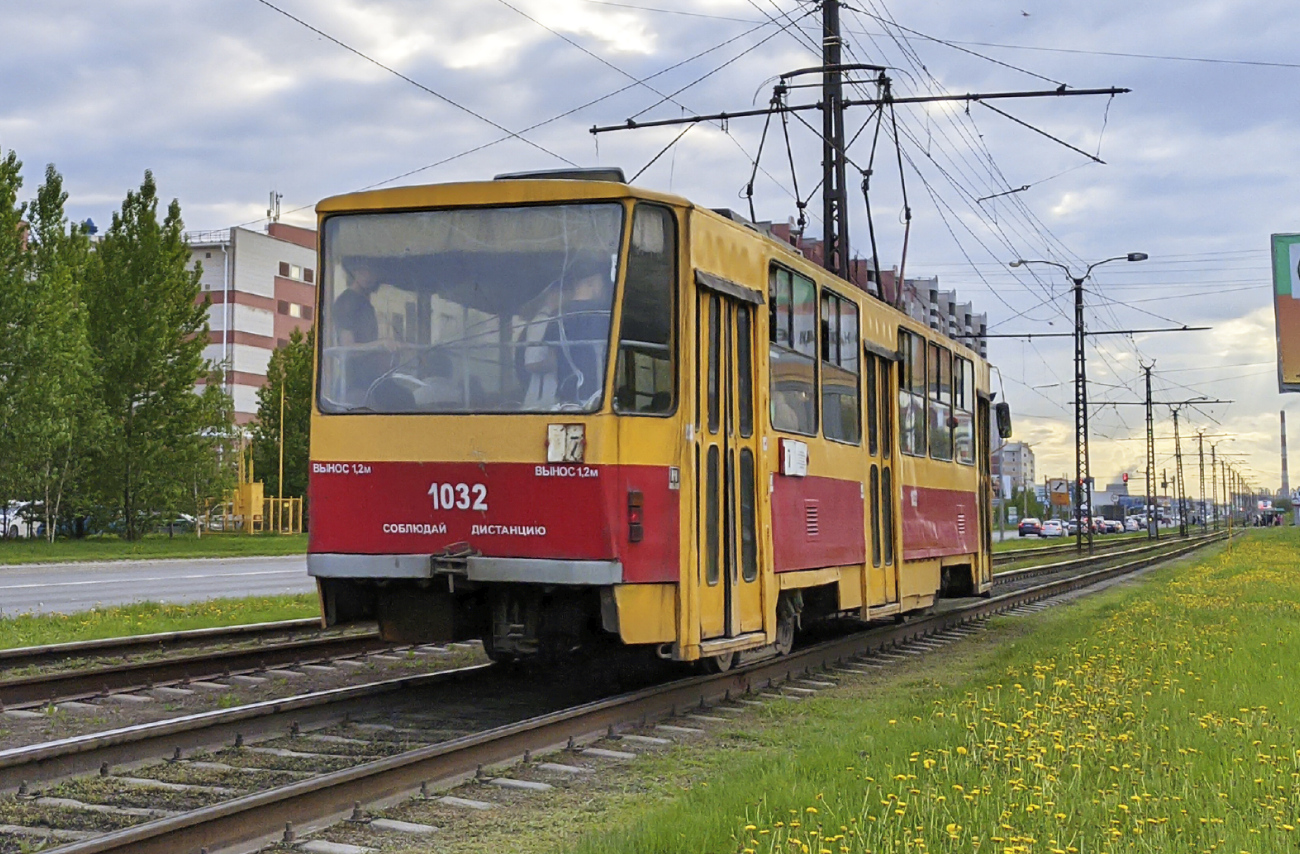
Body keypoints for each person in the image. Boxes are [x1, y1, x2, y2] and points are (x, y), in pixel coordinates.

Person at [333, 261, 381, 345]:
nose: (370, 276)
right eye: (364, 271)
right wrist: (380, 344)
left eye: (374, 273)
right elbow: (348, 346)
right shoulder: (346, 301)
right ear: (354, 272)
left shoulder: (365, 303)